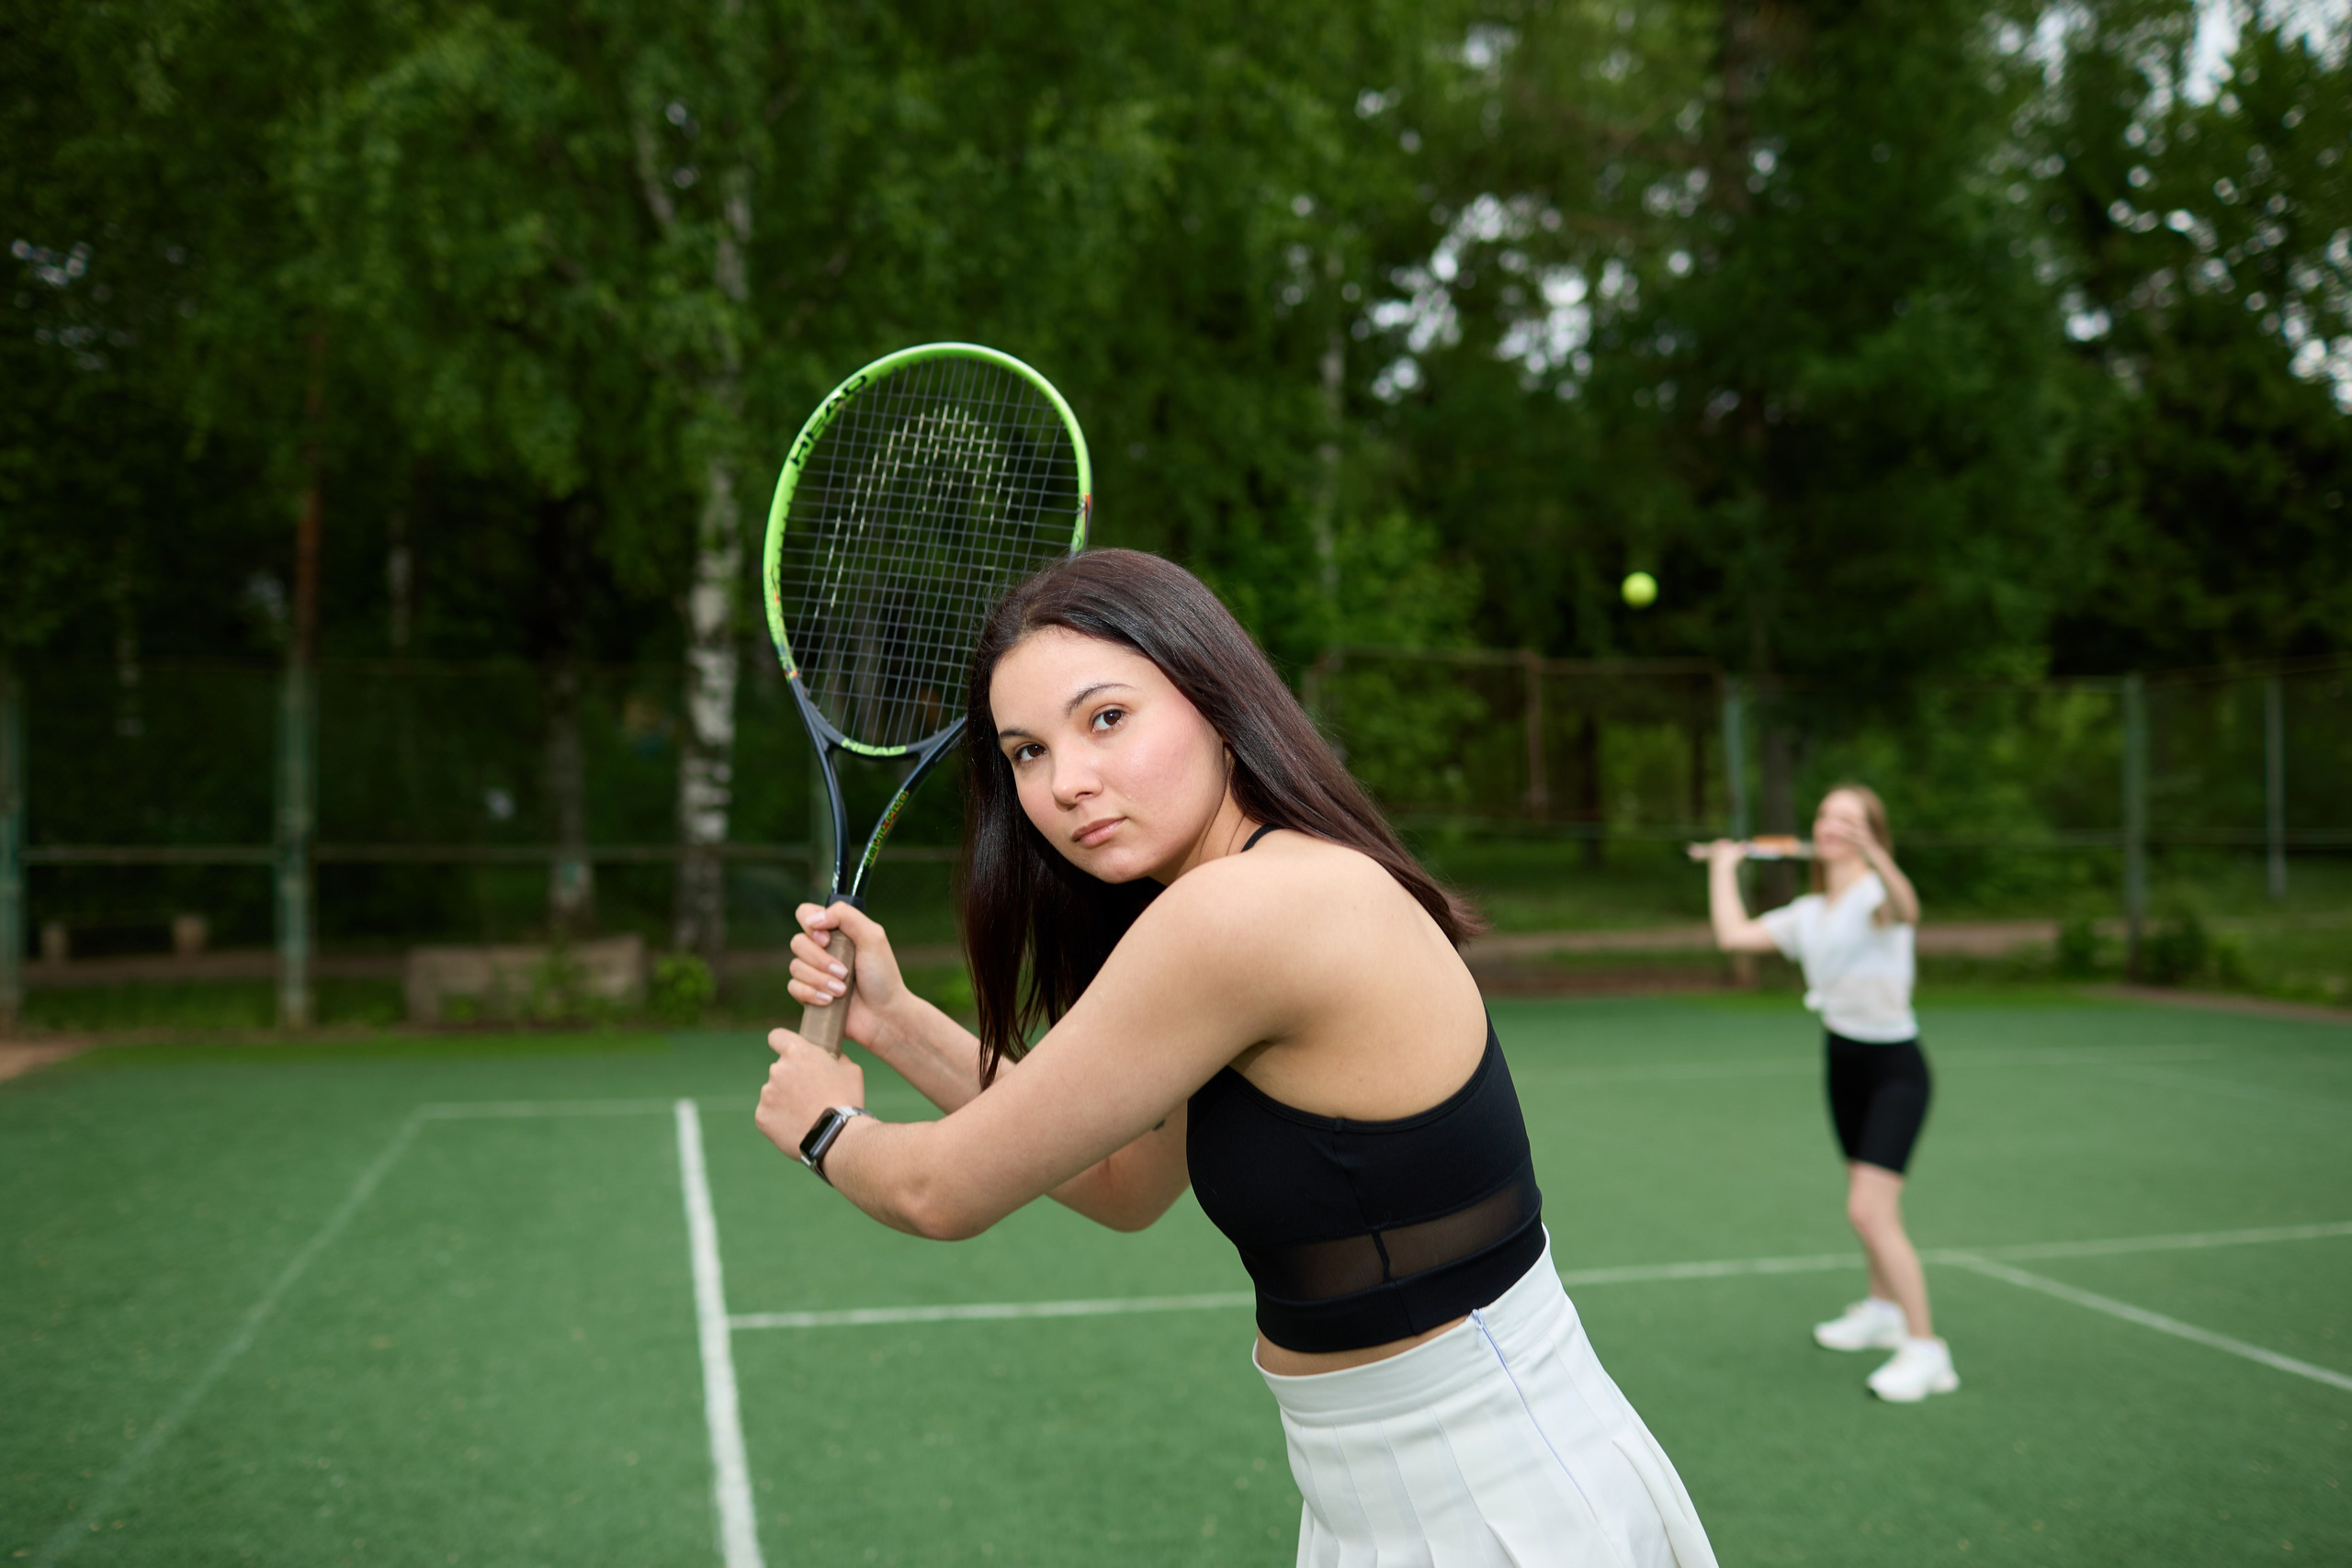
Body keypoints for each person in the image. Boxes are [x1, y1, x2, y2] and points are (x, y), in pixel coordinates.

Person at [756, 549, 1719, 1567]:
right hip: (1388, 1485)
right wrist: (897, 1020)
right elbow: (1123, 1182)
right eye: (1026, 752)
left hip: (1490, 1490)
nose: (1067, 781)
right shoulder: (1247, 894)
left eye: (1107, 719)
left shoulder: (1242, 914)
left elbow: (937, 1192)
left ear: (1214, 704)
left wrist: (826, 1126)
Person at [1701, 785, 1956, 1403]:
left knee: (1869, 1210)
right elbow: (1733, 937)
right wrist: (1722, 868)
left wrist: (1879, 858)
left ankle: (1927, 1350)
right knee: (1865, 1200)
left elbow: (1908, 907)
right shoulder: (1810, 911)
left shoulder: (1876, 896)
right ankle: (1881, 1309)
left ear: (1872, 833)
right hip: (1842, 1062)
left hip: (1896, 1067)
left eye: (1852, 818)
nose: (1834, 824)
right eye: (1827, 815)